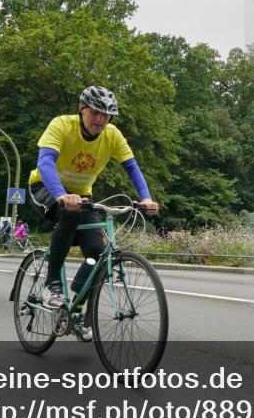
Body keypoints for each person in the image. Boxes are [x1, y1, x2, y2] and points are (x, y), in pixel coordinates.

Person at [28, 85, 159, 341]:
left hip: (83, 197)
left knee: (98, 254)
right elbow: (45, 162)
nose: (101, 120)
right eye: (96, 112)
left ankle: (75, 311)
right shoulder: (62, 125)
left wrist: (146, 197)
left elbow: (132, 168)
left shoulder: (112, 135)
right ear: (82, 108)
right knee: (70, 213)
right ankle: (51, 284)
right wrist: (60, 195)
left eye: (107, 115)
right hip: (45, 186)